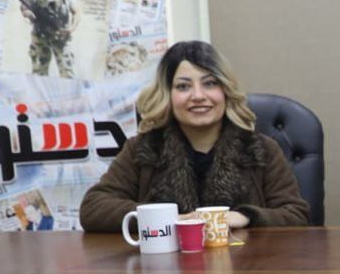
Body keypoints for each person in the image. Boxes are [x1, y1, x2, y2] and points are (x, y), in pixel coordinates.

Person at [79, 40, 310, 231]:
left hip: (245, 267)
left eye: (210, 83)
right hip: (166, 269)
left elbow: (296, 215)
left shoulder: (261, 149)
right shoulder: (144, 148)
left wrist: (246, 217)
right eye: (183, 86)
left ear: (226, 91)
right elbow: (93, 208)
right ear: (167, 95)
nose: (198, 96)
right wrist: (167, 219)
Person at [20, 0, 79, 78]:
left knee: (67, 72)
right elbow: (24, 7)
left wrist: (71, 29)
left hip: (61, 37)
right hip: (40, 37)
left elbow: (77, 12)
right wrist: (27, 13)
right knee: (39, 72)